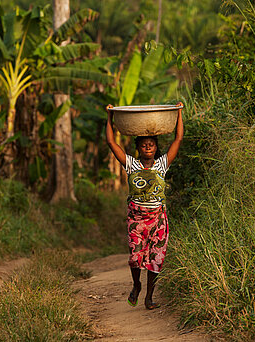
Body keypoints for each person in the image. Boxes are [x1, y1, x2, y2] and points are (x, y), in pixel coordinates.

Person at [105, 103, 184, 310]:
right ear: (138, 148)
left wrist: (179, 113)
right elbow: (111, 141)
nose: (148, 147)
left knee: (155, 259)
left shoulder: (162, 165)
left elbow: (178, 139)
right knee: (135, 257)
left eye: (151, 145)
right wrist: (110, 116)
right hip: (136, 219)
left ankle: (149, 297)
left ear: (156, 147)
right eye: (143, 145)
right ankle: (136, 285)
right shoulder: (131, 164)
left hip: (158, 219)